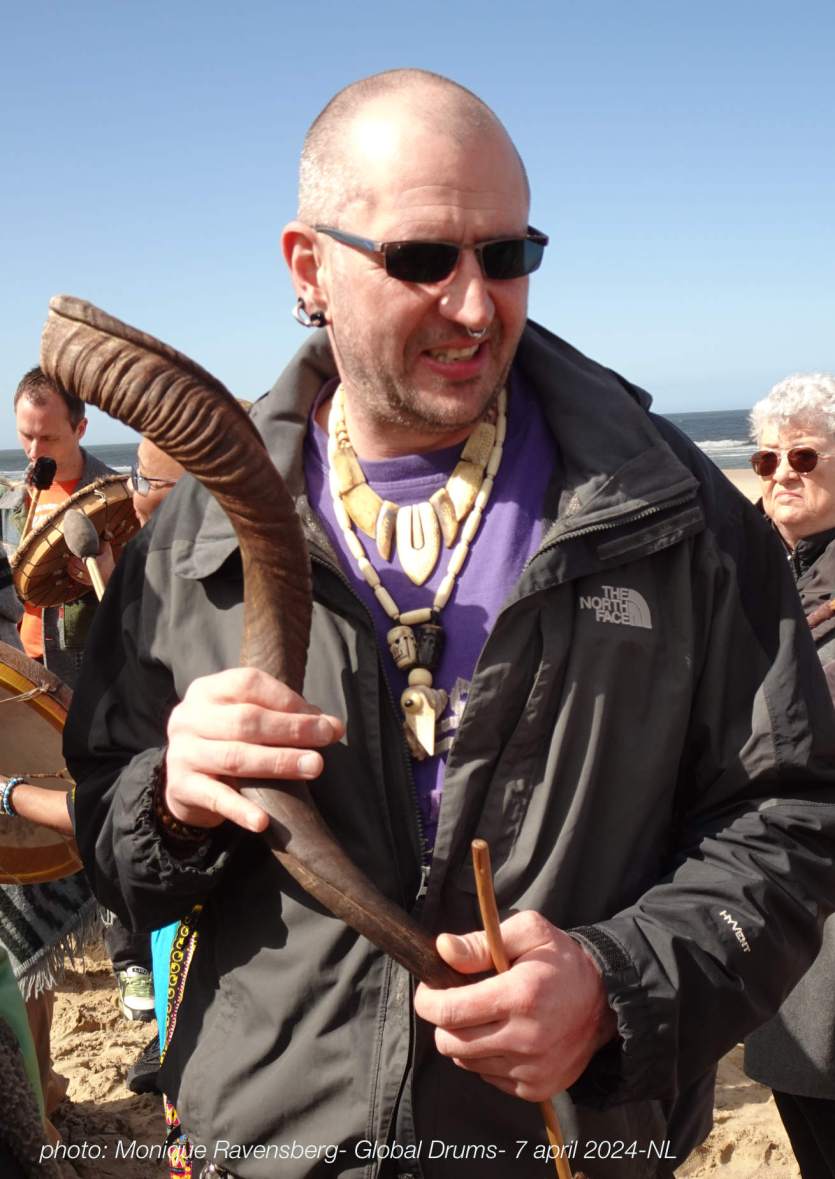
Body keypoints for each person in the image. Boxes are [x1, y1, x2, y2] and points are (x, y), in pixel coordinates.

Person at [65, 70, 835, 1179]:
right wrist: (170, 804)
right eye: (423, 258)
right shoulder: (191, 541)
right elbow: (109, 837)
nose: (476, 307)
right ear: (307, 267)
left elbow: (790, 816)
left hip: (564, 1149)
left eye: (506, 254)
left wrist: (614, 987)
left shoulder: (673, 511)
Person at [742, 372, 835, 1179]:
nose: (780, 472)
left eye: (803, 455)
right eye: (765, 457)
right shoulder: (761, 578)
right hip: (782, 915)